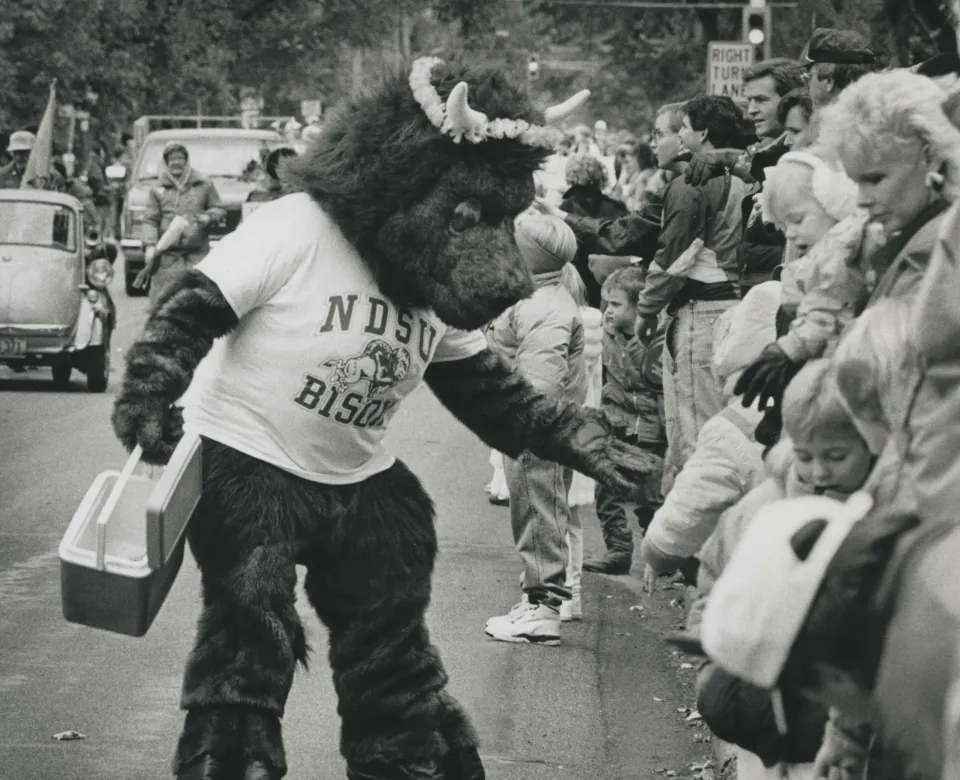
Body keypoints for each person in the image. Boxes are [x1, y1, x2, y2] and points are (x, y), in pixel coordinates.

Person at [689, 358, 884, 780]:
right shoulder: (761, 507)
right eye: (804, 455)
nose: (818, 472)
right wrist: (716, 662)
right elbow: (714, 581)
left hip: (829, 729)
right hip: (753, 714)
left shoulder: (876, 522)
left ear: (872, 445)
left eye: (836, 456)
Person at [635, 95, 751, 495]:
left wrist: (646, 309)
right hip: (734, 308)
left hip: (701, 313)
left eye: (683, 127)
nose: (680, 136)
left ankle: (697, 546)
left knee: (694, 437)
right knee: (723, 428)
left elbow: (673, 260)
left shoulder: (693, 184)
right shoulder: (745, 176)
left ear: (703, 133)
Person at [484, 213, 587, 646]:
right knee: (542, 507)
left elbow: (541, 380)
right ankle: (540, 600)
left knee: (537, 509)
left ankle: (542, 608)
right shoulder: (545, 297)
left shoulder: (543, 309)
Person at [640, 281, 778, 591]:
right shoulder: (812, 406)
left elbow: (692, 503)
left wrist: (657, 552)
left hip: (742, 579)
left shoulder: (729, 428)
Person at [582, 266, 665, 574]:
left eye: (616, 305)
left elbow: (652, 383)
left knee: (649, 498)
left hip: (648, 429)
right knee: (606, 489)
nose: (608, 312)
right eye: (606, 304)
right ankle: (618, 550)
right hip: (616, 422)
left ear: (639, 306)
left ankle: (662, 555)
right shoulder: (606, 336)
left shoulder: (654, 340)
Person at [135, 142, 226, 303]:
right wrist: (150, 245)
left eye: (180, 158)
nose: (176, 163)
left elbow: (219, 209)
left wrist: (209, 217)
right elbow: (150, 219)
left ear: (187, 160)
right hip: (167, 259)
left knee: (198, 301)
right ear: (166, 163)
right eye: (171, 159)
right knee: (163, 302)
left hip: (197, 255)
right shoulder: (157, 189)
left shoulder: (203, 184)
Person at [801, 28, 877, 112]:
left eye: (808, 77)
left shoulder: (834, 122)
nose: (805, 89)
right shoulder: (875, 112)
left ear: (829, 80)